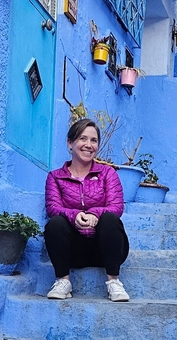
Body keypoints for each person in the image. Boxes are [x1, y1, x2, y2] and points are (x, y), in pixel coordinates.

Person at [44, 118, 130, 302]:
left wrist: (94, 214)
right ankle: (63, 281)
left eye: (94, 140)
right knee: (55, 223)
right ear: (70, 143)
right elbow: (53, 207)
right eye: (83, 139)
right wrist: (75, 215)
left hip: (106, 248)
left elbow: (117, 206)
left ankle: (114, 282)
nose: (89, 145)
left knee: (110, 219)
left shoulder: (108, 173)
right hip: (72, 251)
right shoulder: (55, 177)